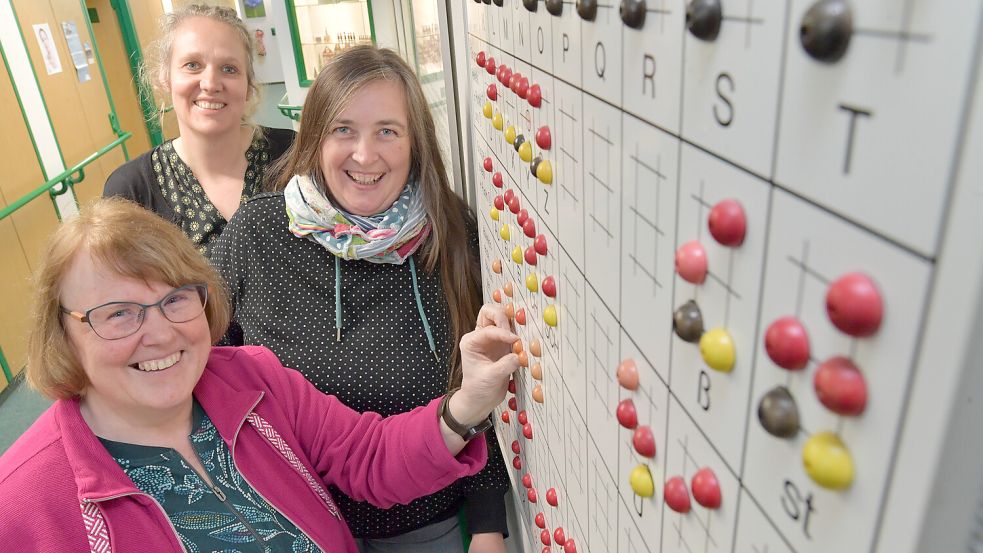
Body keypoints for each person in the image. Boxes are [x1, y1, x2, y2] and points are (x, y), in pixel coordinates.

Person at [0, 198, 518, 552]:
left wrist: (468, 401)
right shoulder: (21, 503)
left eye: (176, 299)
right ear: (64, 334)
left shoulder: (251, 379)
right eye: (118, 313)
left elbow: (370, 456)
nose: (159, 333)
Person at [212, 45, 510, 552]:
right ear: (315, 138)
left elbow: (482, 386)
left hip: (426, 526)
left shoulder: (452, 234)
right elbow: (200, 371)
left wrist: (487, 524)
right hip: (296, 528)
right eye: (343, 129)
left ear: (416, 142)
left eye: (387, 131)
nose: (365, 155)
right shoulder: (258, 234)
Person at [104, 4, 294, 256]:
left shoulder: (295, 155)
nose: (210, 83)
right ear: (165, 78)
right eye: (192, 65)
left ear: (248, 85)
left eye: (229, 69)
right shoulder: (132, 191)